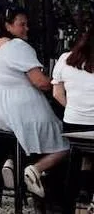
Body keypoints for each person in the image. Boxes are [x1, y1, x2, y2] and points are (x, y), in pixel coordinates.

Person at [0, 6, 68, 198]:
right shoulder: (18, 46)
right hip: (17, 110)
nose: (26, 28)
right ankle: (35, 170)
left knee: (19, 135)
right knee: (65, 141)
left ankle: (12, 162)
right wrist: (56, 81)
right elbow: (40, 82)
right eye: (21, 24)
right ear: (8, 26)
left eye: (27, 24)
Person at [54, 30, 94, 205]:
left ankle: (80, 191)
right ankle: (86, 190)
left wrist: (74, 108)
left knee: (83, 152)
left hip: (72, 124)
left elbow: (57, 94)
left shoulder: (65, 59)